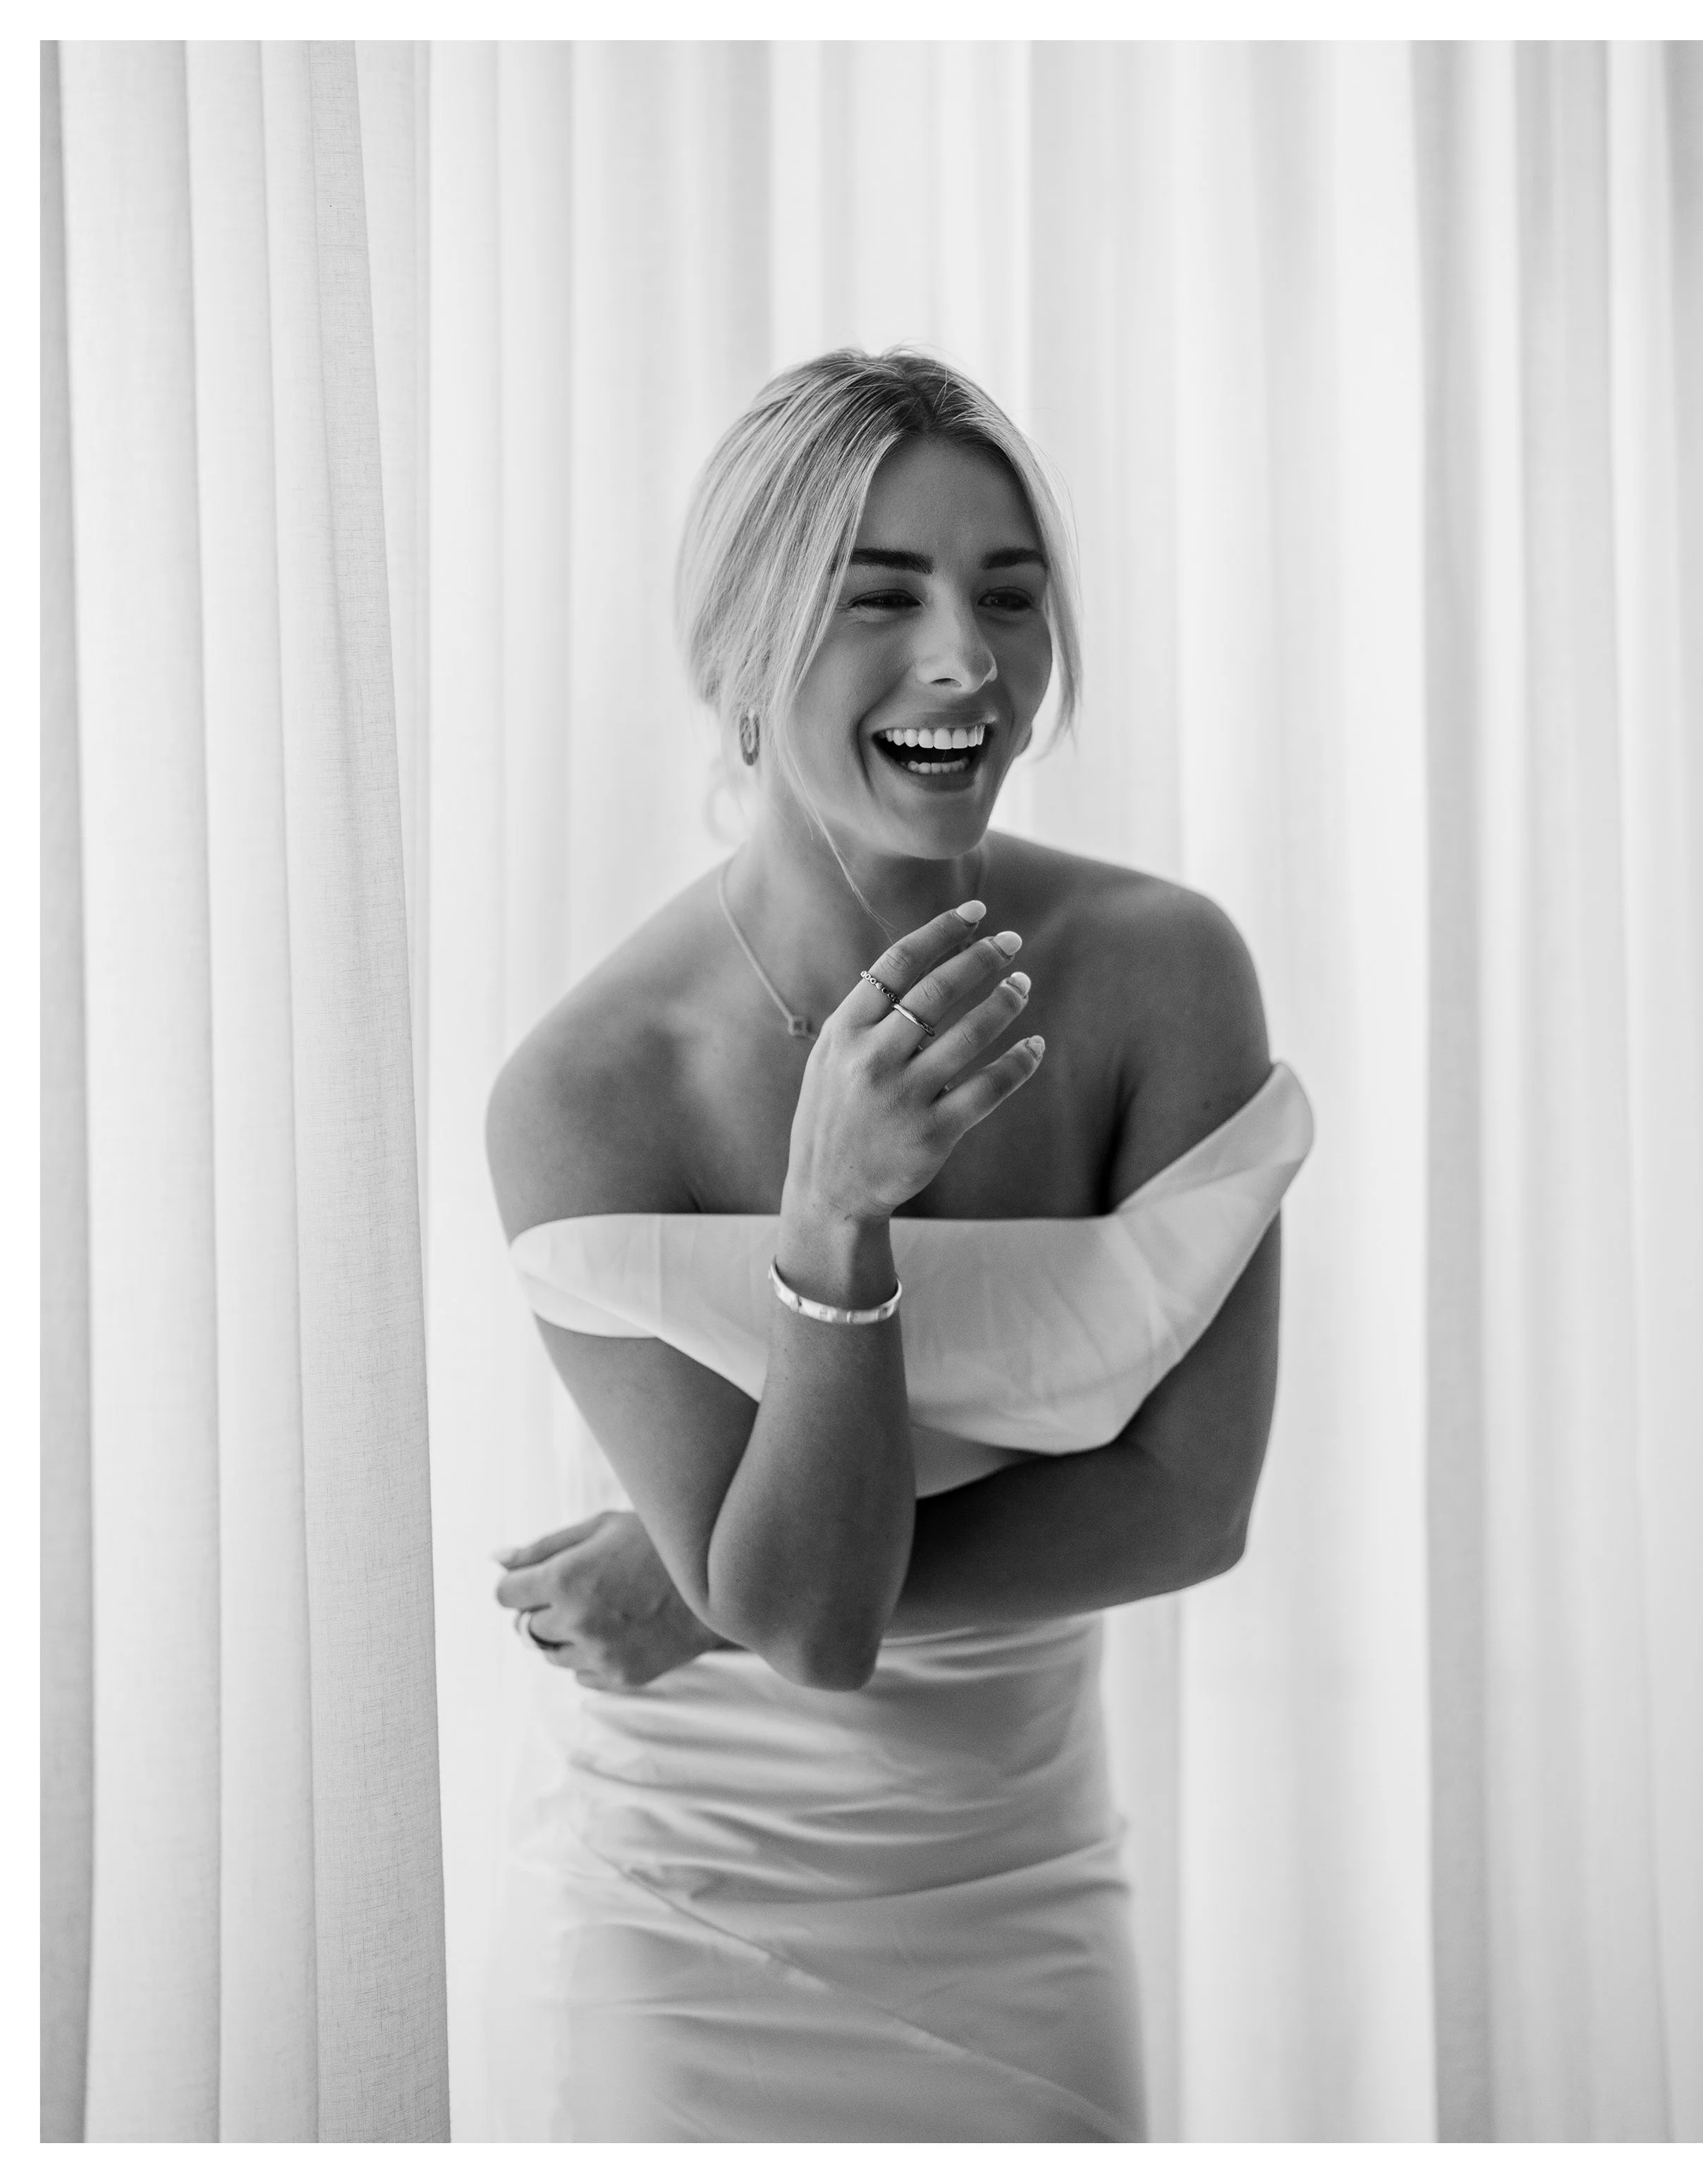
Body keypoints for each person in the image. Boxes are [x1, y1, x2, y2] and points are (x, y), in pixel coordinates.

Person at [482, 348, 1312, 2142]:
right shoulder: (586, 1089)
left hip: (1018, 1889)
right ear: (739, 659)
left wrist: (698, 1589)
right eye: (884, 598)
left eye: (1007, 597)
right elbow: (803, 1618)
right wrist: (830, 1212)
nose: (966, 660)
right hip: (691, 1919)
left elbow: (1192, 1502)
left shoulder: (1166, 975)